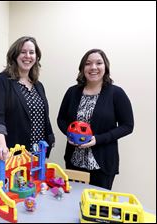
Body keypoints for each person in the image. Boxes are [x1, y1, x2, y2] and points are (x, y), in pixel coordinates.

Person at [57, 49, 134, 190]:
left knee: (98, 208)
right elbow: (61, 119)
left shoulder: (116, 93)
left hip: (102, 166)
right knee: (72, 204)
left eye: (99, 63)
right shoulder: (72, 92)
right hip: (74, 163)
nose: (93, 67)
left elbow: (127, 125)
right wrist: (69, 135)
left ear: (105, 67)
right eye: (88, 63)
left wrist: (98, 139)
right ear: (82, 68)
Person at [0, 36, 55, 161]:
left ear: (36, 57)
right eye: (23, 52)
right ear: (14, 55)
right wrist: (2, 147)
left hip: (38, 154)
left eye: (31, 52)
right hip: (14, 154)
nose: (27, 56)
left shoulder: (38, 86)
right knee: (17, 181)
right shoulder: (1, 81)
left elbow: (44, 118)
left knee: (38, 181)